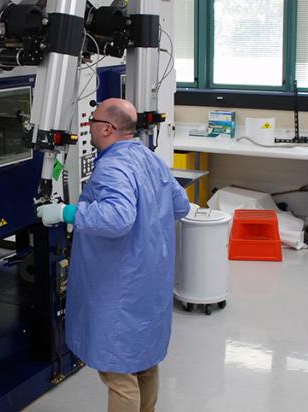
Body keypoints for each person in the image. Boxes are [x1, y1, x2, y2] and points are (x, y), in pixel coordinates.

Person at [36, 98, 191, 412]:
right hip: (149, 280)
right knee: (144, 362)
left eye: (92, 121)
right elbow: (180, 206)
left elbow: (117, 218)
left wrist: (65, 212)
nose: (89, 127)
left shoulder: (112, 166)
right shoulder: (150, 158)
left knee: (119, 375)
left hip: (120, 287)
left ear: (106, 128)